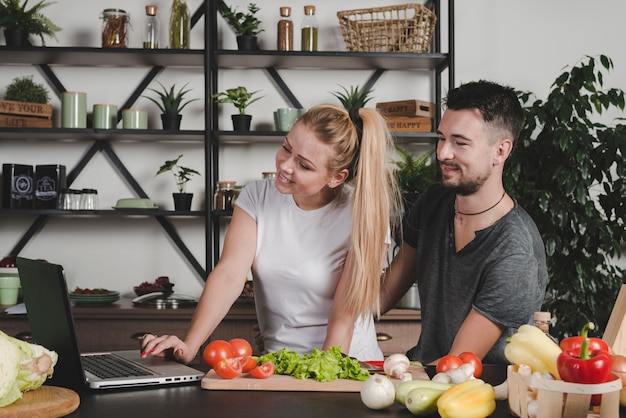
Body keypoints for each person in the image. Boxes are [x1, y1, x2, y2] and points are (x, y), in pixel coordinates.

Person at [142, 103, 402, 362]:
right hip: (280, 364)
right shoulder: (257, 197)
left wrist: (323, 379)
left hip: (343, 363)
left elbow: (343, 319)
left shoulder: (363, 217)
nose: (285, 166)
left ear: (336, 177)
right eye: (286, 148)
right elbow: (229, 274)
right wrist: (190, 345)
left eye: (304, 165)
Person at [380, 80, 548, 365]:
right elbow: (383, 295)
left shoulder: (516, 250)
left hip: (479, 396)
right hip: (425, 373)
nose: (442, 153)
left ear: (501, 151)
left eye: (459, 143)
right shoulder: (433, 203)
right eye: (441, 138)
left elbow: (456, 363)